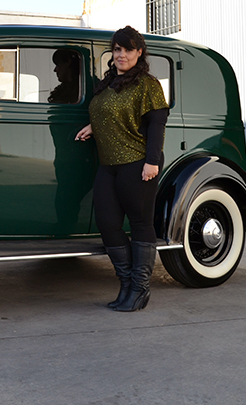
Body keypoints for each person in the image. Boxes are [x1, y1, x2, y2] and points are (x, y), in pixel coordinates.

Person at [75, 26, 168, 312]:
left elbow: (156, 123)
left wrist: (152, 161)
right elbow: (109, 112)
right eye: (117, 49)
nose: (121, 55)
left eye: (127, 49)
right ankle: (126, 284)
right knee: (107, 223)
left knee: (140, 224)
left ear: (139, 52)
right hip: (110, 165)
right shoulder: (109, 83)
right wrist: (96, 126)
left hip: (137, 163)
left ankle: (139, 289)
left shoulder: (147, 84)